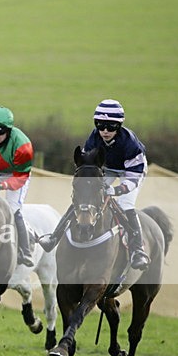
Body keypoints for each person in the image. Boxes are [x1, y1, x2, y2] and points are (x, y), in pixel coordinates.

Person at [37, 99, 151, 270]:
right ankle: (55, 236)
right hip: (108, 168)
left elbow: (133, 178)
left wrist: (116, 190)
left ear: (119, 126)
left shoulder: (130, 143)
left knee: (125, 203)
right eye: (100, 125)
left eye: (110, 127)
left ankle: (138, 249)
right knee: (86, 194)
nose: (104, 131)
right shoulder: (94, 137)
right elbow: (87, 163)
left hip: (131, 172)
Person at [0, 106, 34, 266]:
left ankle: (25, 249)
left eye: (0, 132)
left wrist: (2, 185)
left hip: (16, 174)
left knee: (13, 209)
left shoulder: (23, 145)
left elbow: (21, 177)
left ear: (9, 131)